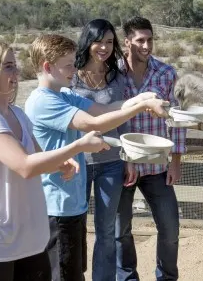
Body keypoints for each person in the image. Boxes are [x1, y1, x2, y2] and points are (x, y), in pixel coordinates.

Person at [0, 40, 109, 281]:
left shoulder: (17, 113)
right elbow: (25, 166)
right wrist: (78, 146)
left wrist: (61, 163)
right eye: (7, 67)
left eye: (15, 66)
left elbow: (37, 157)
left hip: (30, 242)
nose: (16, 73)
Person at [24, 33, 169, 281]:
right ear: (47, 67)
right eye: (68, 65)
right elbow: (94, 123)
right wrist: (141, 107)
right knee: (63, 274)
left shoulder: (64, 94)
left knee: (74, 272)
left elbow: (103, 109)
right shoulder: (44, 102)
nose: (74, 68)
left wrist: (142, 98)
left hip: (72, 203)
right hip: (56, 206)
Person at [116, 16, 187, 281]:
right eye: (140, 40)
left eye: (150, 39)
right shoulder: (113, 74)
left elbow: (177, 118)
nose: (147, 46)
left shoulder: (166, 73)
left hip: (157, 165)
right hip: (123, 166)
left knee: (170, 229)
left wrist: (176, 161)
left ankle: (166, 278)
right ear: (127, 42)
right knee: (120, 231)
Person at [72, 18, 135, 281]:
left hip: (112, 162)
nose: (105, 47)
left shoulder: (117, 78)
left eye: (110, 42)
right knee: (74, 227)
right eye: (99, 41)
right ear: (88, 41)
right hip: (78, 163)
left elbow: (124, 120)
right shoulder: (71, 77)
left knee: (106, 230)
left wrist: (129, 159)